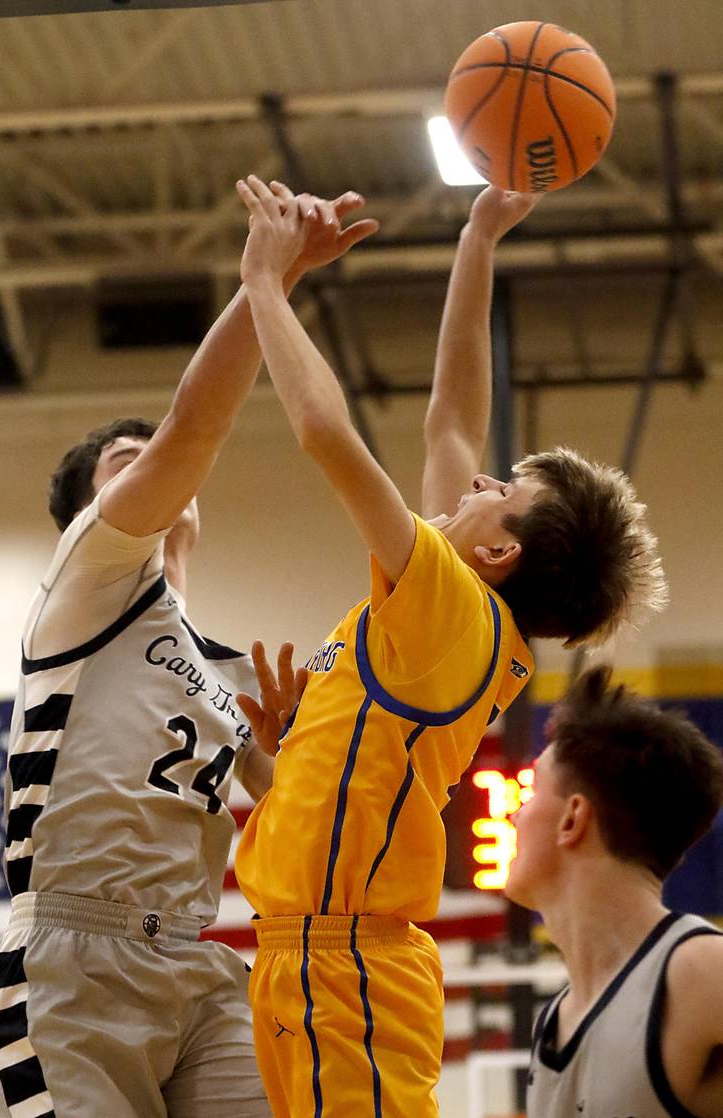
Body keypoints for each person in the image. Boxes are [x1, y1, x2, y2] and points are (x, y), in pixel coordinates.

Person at [231, 175, 668, 1118]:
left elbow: (324, 431)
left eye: (497, 490)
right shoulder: (466, 619)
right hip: (317, 953)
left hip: (341, 965)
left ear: (502, 549)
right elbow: (452, 420)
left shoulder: (446, 607)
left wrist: (266, 284)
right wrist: (477, 241)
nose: (474, 480)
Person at [0, 188, 378, 1118]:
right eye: (129, 459)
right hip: (71, 961)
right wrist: (264, 281)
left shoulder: (233, 672)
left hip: (197, 958)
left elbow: (303, 825)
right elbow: (197, 425)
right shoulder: (87, 587)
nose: (158, 457)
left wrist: (292, 755)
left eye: (150, 452)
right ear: (90, 512)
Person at [508, 665, 723, 1118]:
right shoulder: (554, 1018)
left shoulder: (699, 970)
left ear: (573, 818)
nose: (514, 817)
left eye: (529, 795)